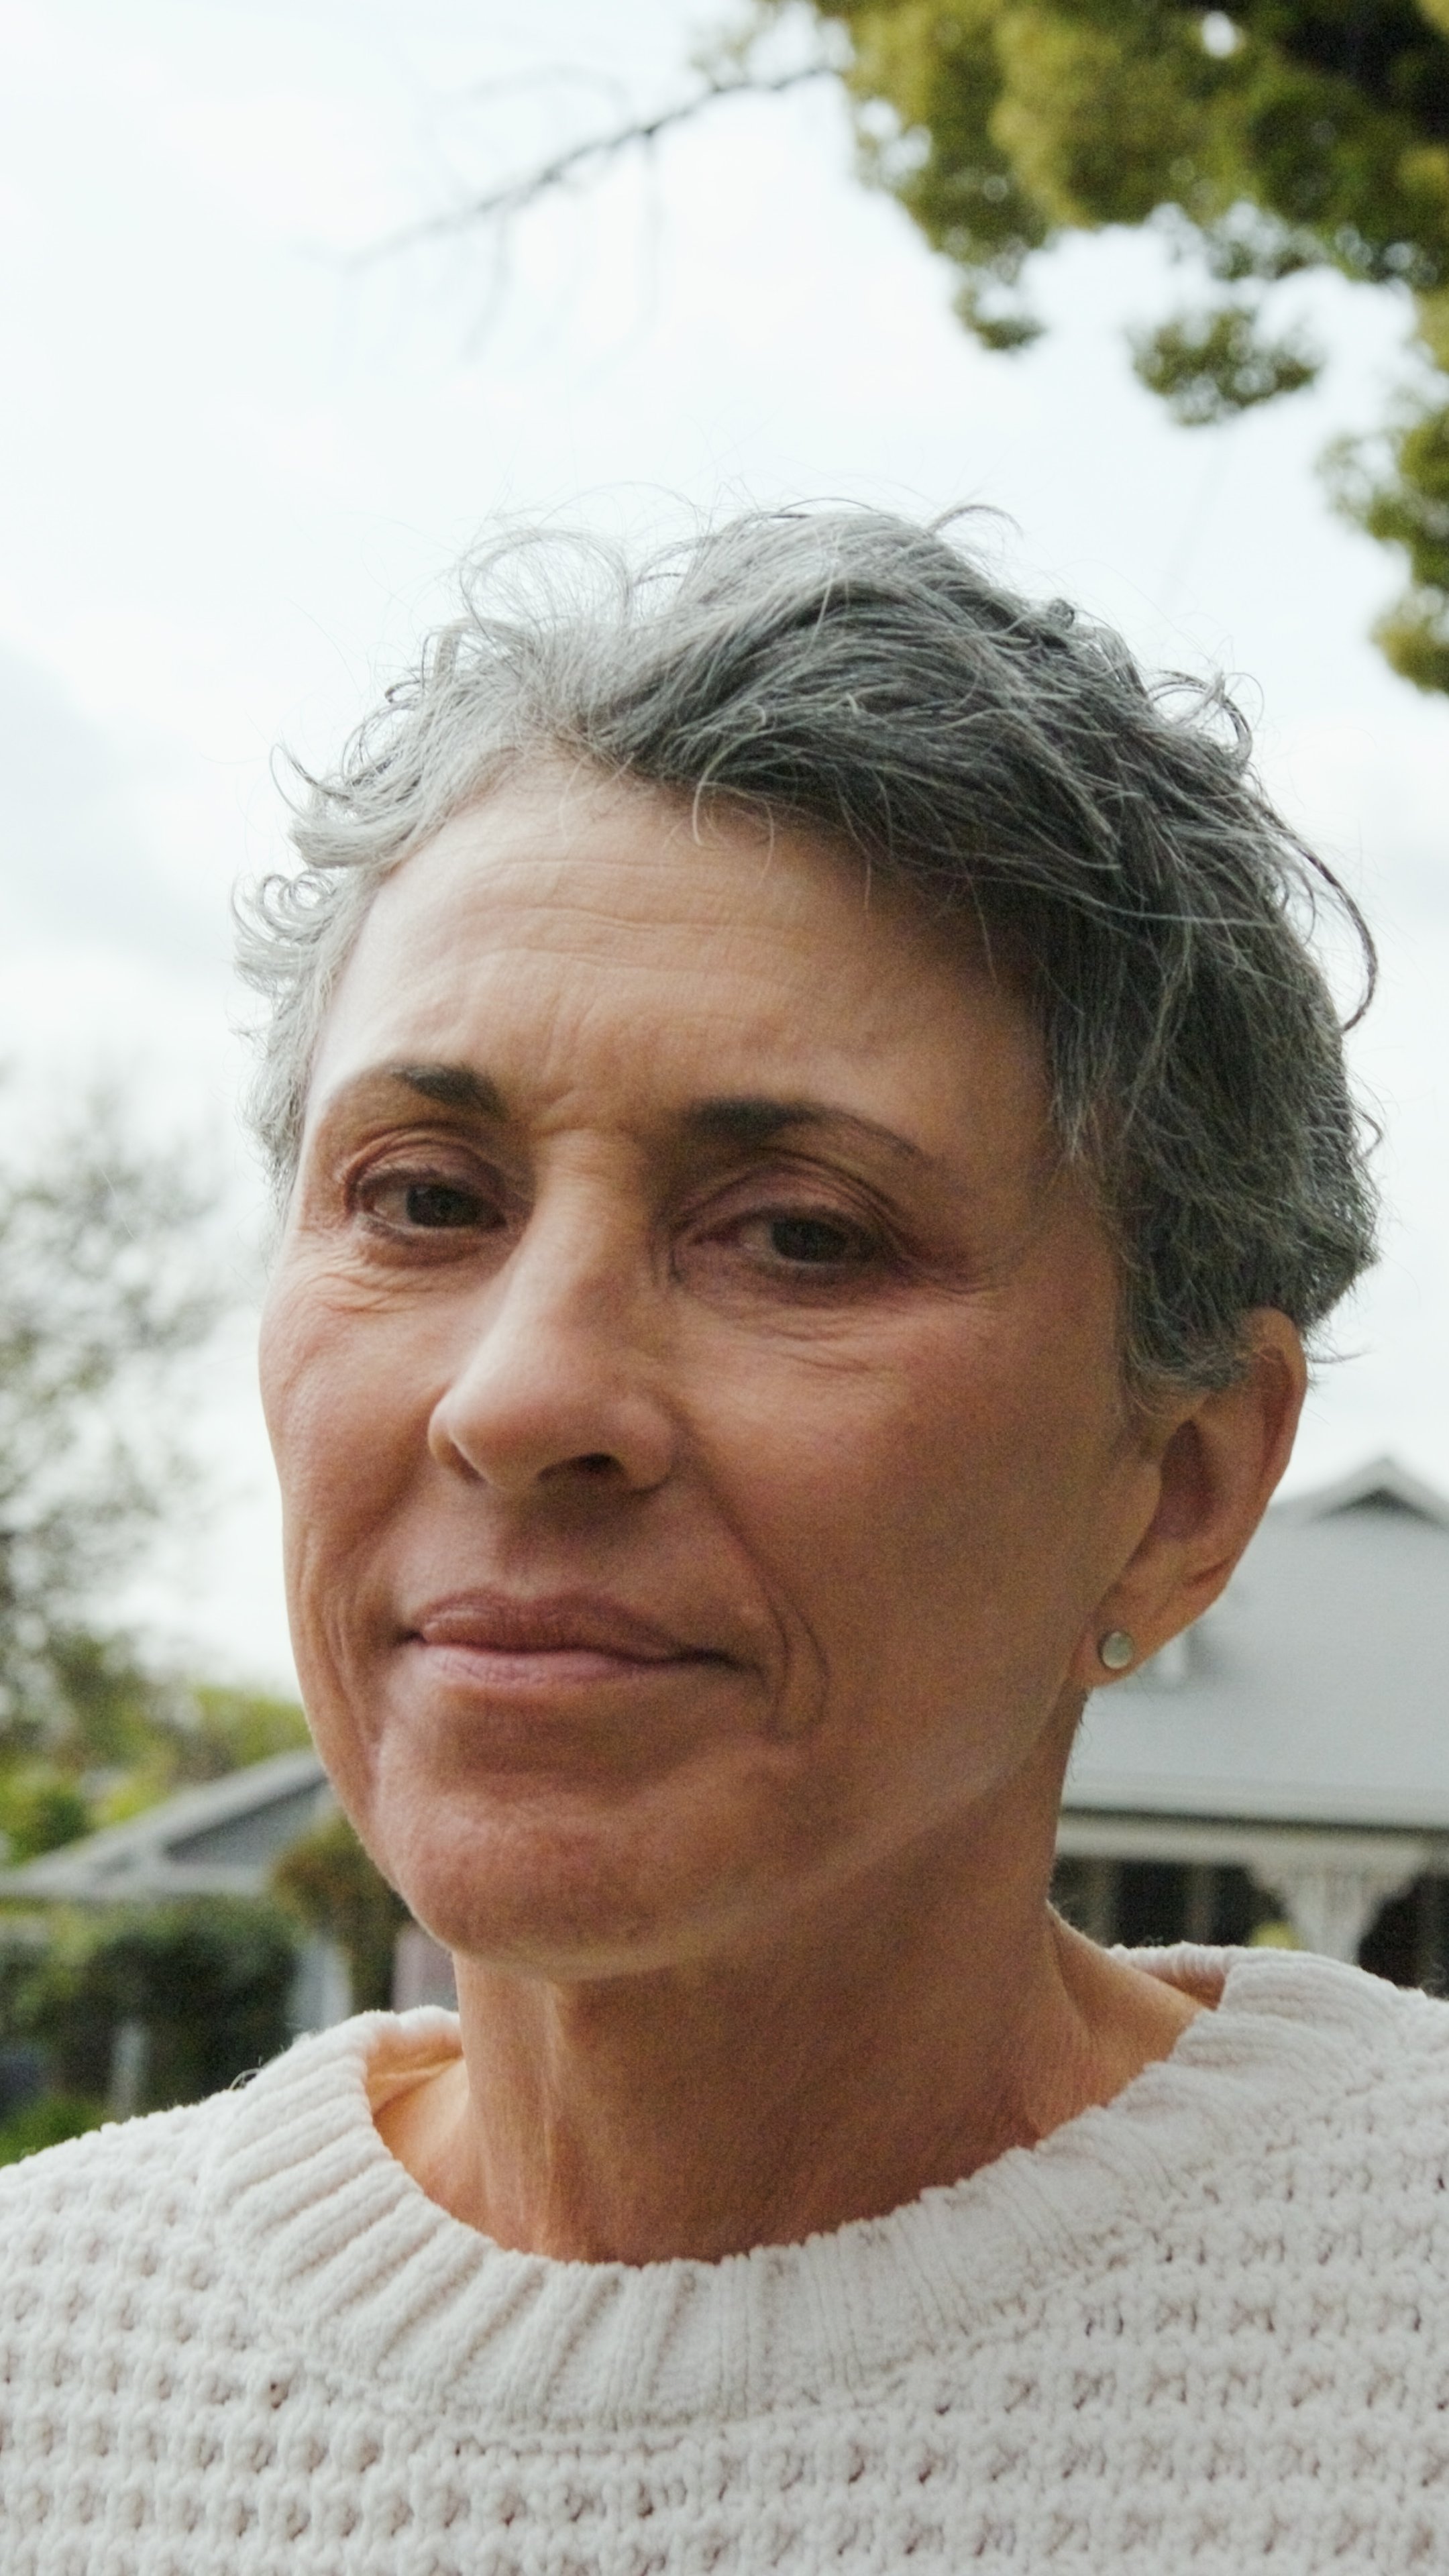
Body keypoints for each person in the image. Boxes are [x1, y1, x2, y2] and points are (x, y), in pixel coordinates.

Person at [1, 506, 1440, 2576]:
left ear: (1184, 1490)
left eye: (801, 1237)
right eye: (423, 1199)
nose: (519, 1399)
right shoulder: (47, 2371)